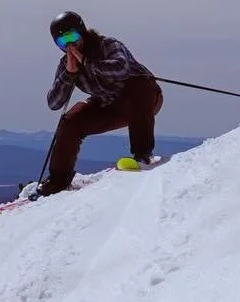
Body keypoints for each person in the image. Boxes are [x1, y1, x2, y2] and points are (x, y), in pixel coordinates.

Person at [36, 11, 163, 195]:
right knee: (71, 120)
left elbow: (121, 68)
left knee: (140, 85)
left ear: (82, 31)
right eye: (62, 42)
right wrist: (69, 74)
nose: (69, 44)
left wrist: (87, 63)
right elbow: (54, 102)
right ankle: (58, 180)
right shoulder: (67, 64)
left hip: (144, 99)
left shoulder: (108, 45)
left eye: (72, 36)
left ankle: (142, 154)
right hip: (107, 104)